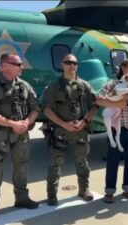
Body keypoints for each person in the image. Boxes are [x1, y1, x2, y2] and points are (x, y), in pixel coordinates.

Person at [0, 52, 40, 222]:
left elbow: (35, 108)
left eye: (21, 64)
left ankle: (21, 199)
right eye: (18, 64)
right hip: (0, 136)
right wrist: (13, 124)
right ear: (5, 66)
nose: (22, 67)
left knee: (21, 168)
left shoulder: (24, 86)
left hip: (21, 135)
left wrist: (26, 122)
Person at [42, 54, 98, 206]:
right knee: (56, 162)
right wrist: (63, 124)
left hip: (80, 129)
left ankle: (84, 189)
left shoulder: (83, 85)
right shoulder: (54, 86)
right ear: (62, 64)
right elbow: (46, 109)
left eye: (74, 63)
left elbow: (95, 104)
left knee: (82, 161)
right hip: (60, 130)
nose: (71, 65)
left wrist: (85, 121)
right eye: (68, 62)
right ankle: (52, 194)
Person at [96, 59, 128, 203]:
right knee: (113, 160)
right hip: (115, 128)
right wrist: (117, 103)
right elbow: (99, 100)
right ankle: (110, 191)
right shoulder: (112, 84)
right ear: (123, 68)